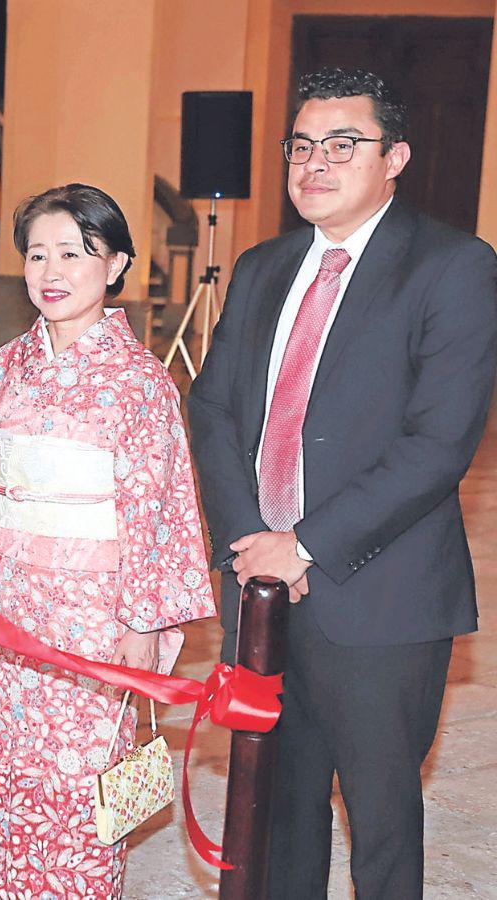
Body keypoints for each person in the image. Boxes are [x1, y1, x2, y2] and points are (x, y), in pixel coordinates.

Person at [189, 68, 497, 898]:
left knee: (382, 814)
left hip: (380, 596)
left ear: (394, 156)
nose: (313, 165)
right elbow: (212, 409)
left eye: (342, 145)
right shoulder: (260, 267)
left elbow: (438, 444)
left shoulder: (453, 266)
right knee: (277, 808)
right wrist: (252, 544)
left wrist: (307, 545)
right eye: (300, 146)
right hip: (262, 589)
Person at [0, 184, 216, 898]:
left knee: (78, 797)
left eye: (74, 253)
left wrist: (144, 620)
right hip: (3, 615)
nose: (51, 272)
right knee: (0, 781)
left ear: (115, 264)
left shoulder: (141, 385)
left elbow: (160, 509)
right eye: (37, 255)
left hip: (91, 627)